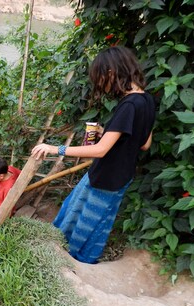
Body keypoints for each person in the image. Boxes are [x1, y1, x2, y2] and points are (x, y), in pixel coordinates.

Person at [31, 46, 155, 264]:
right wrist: (105, 133)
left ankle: (69, 260)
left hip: (106, 176)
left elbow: (100, 150)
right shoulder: (147, 100)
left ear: (111, 72)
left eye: (101, 78)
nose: (102, 85)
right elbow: (144, 143)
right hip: (122, 176)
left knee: (81, 219)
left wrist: (56, 149)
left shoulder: (128, 105)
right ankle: (84, 257)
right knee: (99, 221)